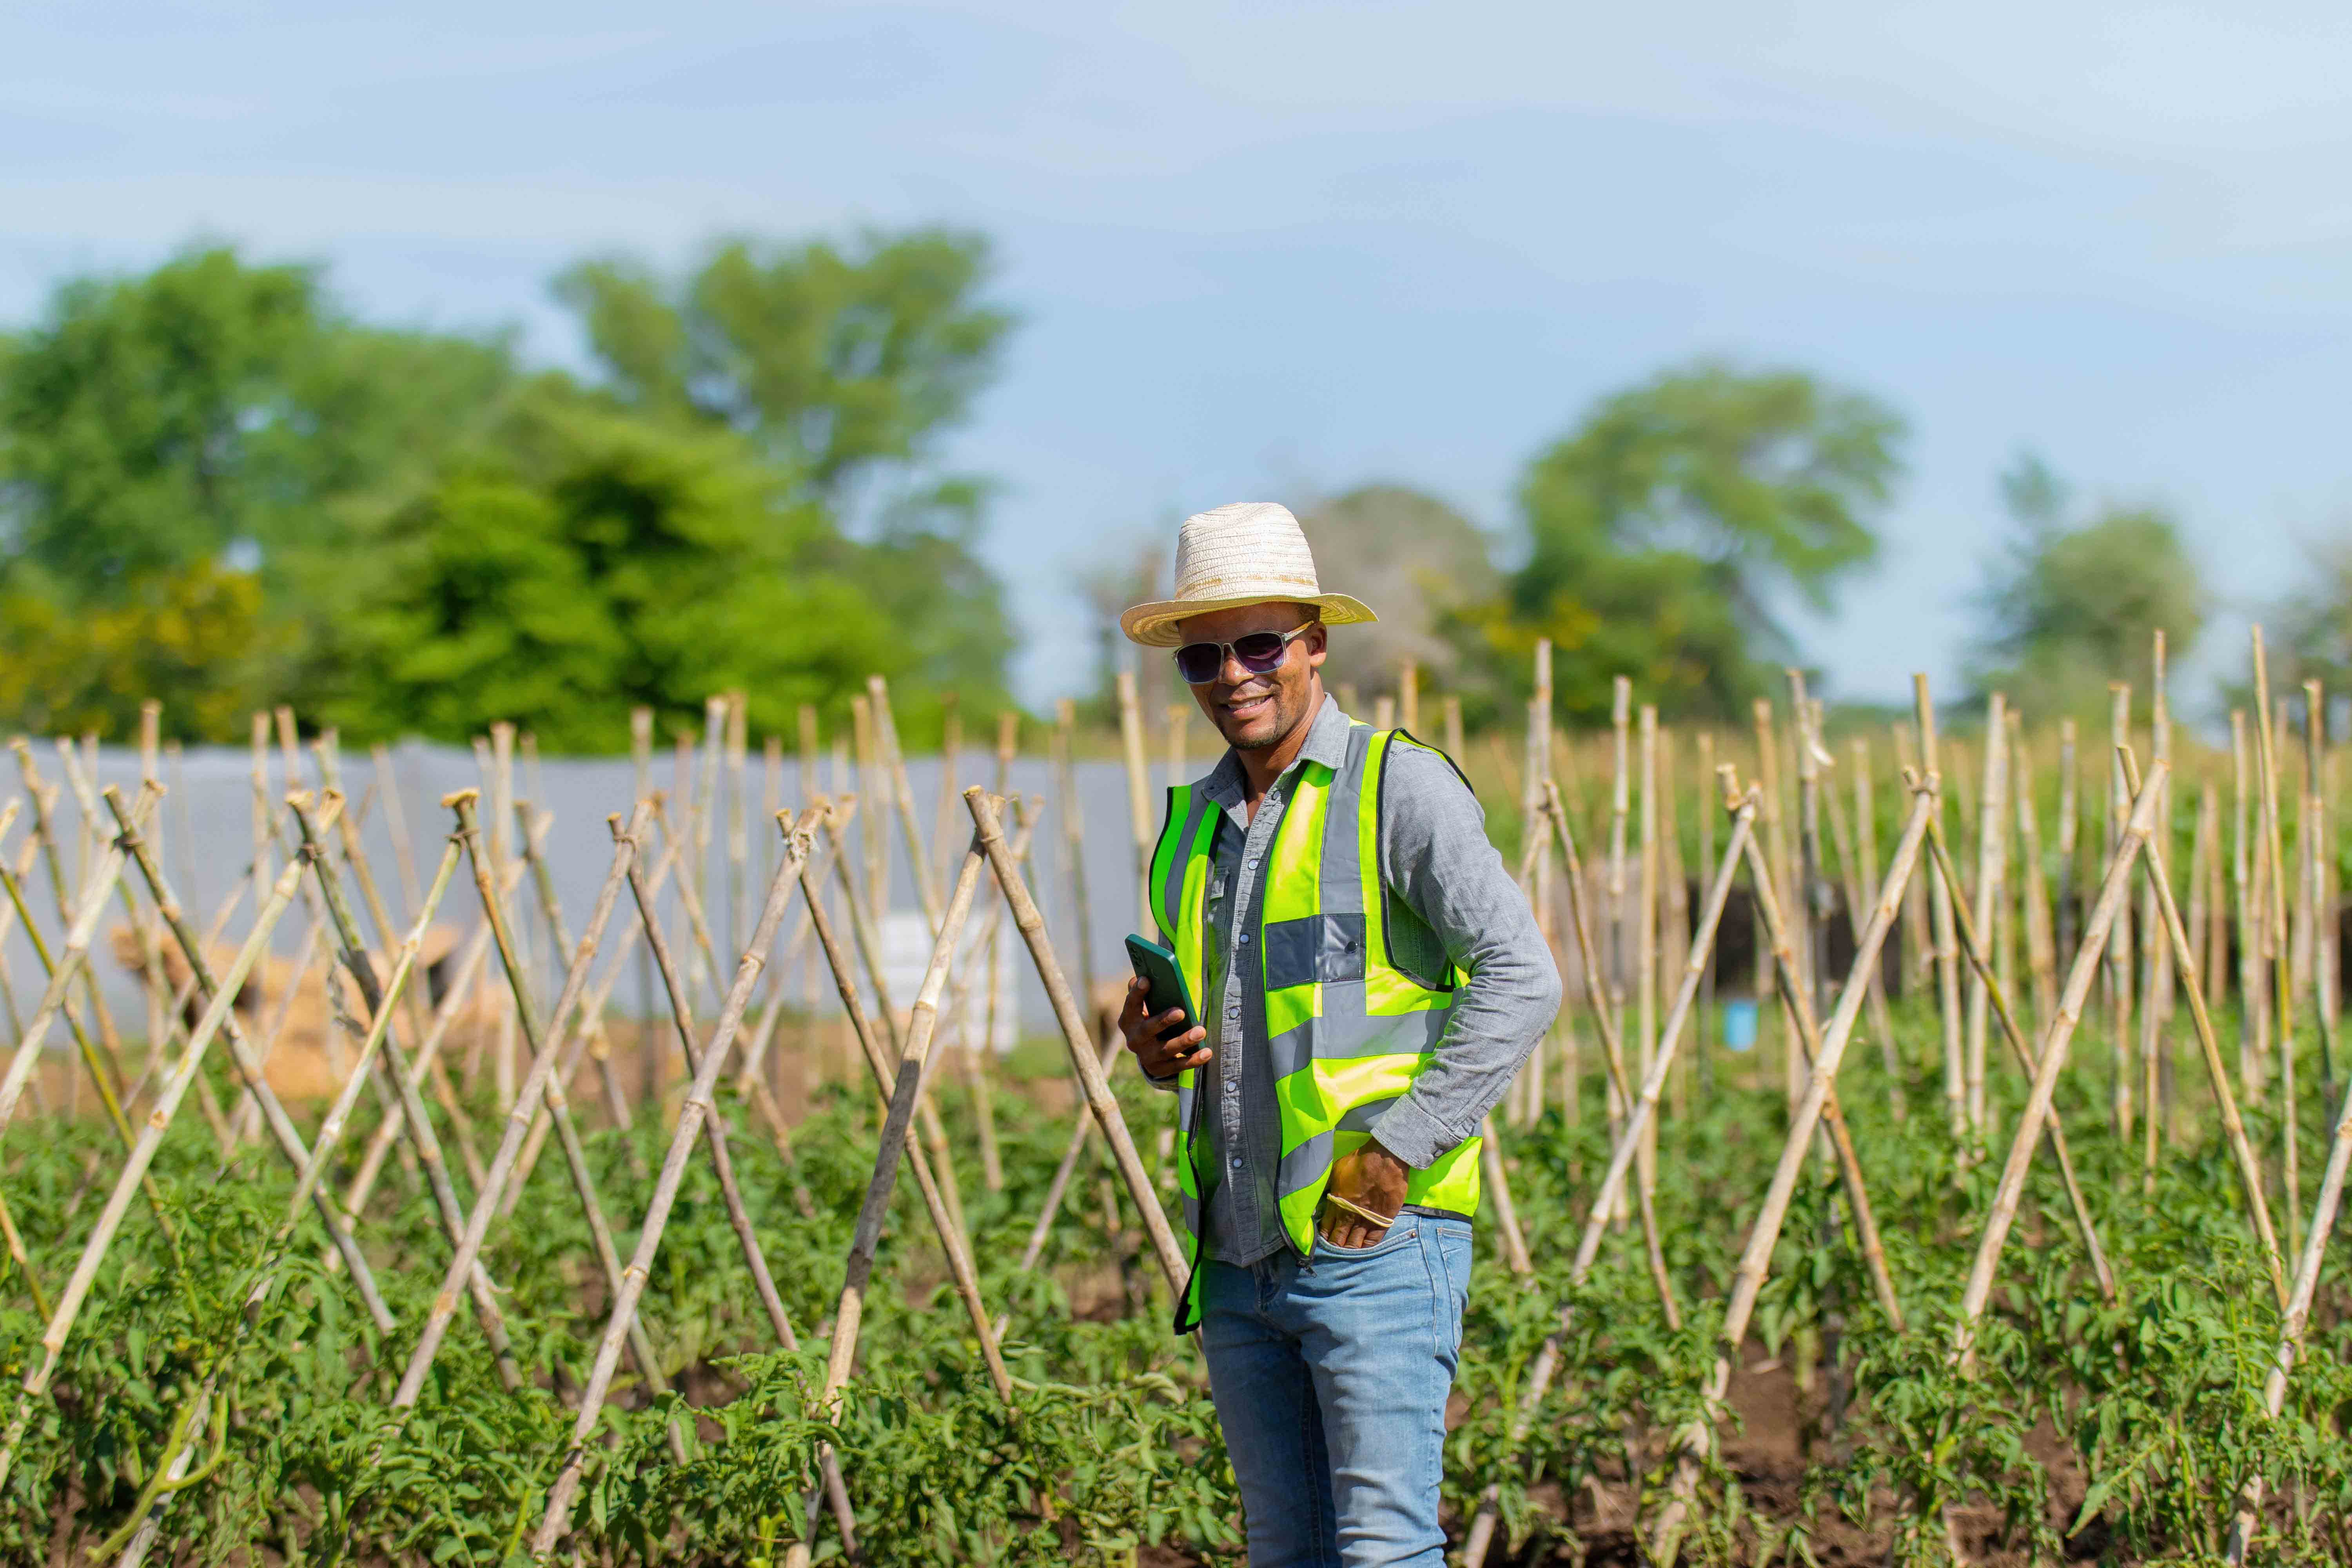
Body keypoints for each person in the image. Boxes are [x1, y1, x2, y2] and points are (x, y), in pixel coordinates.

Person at [1116, 501, 1561, 1567]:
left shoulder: (1395, 790)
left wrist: (1399, 1149)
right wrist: (1150, 1045)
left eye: (1262, 644)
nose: (1235, 675)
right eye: (1205, 656)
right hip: (1236, 1257)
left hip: (1373, 1240)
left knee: (1383, 1549)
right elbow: (1241, 1028)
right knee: (1287, 1552)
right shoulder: (1191, 828)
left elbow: (1524, 977)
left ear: (1316, 644)